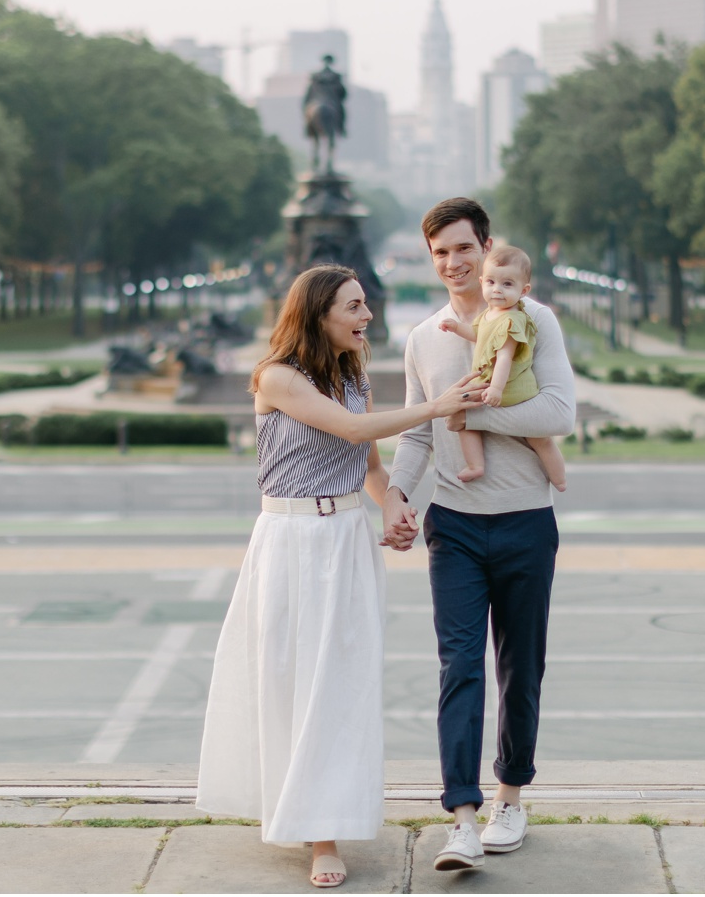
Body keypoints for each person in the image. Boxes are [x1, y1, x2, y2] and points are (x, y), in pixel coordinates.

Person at [196, 264, 482, 889]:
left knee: (341, 684)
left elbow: (368, 460)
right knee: (301, 682)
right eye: (354, 307)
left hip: (347, 541)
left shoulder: (351, 377)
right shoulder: (276, 377)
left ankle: (324, 817)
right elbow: (350, 429)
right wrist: (437, 406)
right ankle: (318, 835)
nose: (366, 315)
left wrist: (393, 504)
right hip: (292, 542)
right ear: (318, 313)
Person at [383, 198, 576, 872]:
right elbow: (416, 434)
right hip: (456, 527)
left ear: (487, 246)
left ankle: (510, 797)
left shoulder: (533, 318)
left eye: (464, 248)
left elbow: (559, 410)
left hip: (526, 520)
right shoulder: (422, 336)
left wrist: (469, 414)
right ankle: (461, 816)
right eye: (440, 252)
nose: (454, 263)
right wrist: (397, 497)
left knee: (520, 667)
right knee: (458, 667)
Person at [437, 243, 569, 491]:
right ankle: (476, 464)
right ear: (482, 282)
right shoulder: (489, 315)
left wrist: (496, 389)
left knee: (540, 439)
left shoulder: (512, 319)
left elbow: (505, 357)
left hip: (509, 387)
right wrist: (456, 328)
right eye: (491, 283)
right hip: (492, 383)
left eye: (507, 284)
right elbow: (479, 336)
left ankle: (559, 479)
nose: (497, 290)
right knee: (464, 418)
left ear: (524, 290)